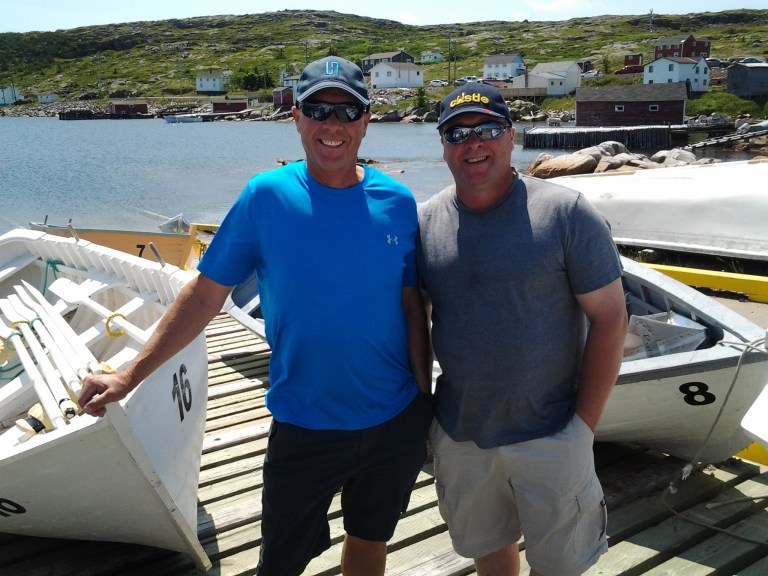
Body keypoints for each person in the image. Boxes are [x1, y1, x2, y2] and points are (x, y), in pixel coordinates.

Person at [78, 56, 433, 576]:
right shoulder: (265, 197)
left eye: (346, 112)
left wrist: (424, 405)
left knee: (370, 540)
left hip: (393, 420)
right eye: (317, 110)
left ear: (365, 121)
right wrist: (128, 374)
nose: (331, 126)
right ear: (295, 118)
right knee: (280, 563)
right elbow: (204, 296)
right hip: (304, 425)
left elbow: (411, 308)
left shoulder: (398, 202)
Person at [416, 83, 628, 576]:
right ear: (444, 145)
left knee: (559, 567)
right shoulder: (425, 222)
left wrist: (583, 428)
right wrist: (423, 414)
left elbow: (612, 318)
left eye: (487, 130)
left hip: (554, 433)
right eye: (457, 133)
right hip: (460, 434)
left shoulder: (567, 213)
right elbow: (417, 321)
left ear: (511, 138)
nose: (474, 144)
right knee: (489, 551)